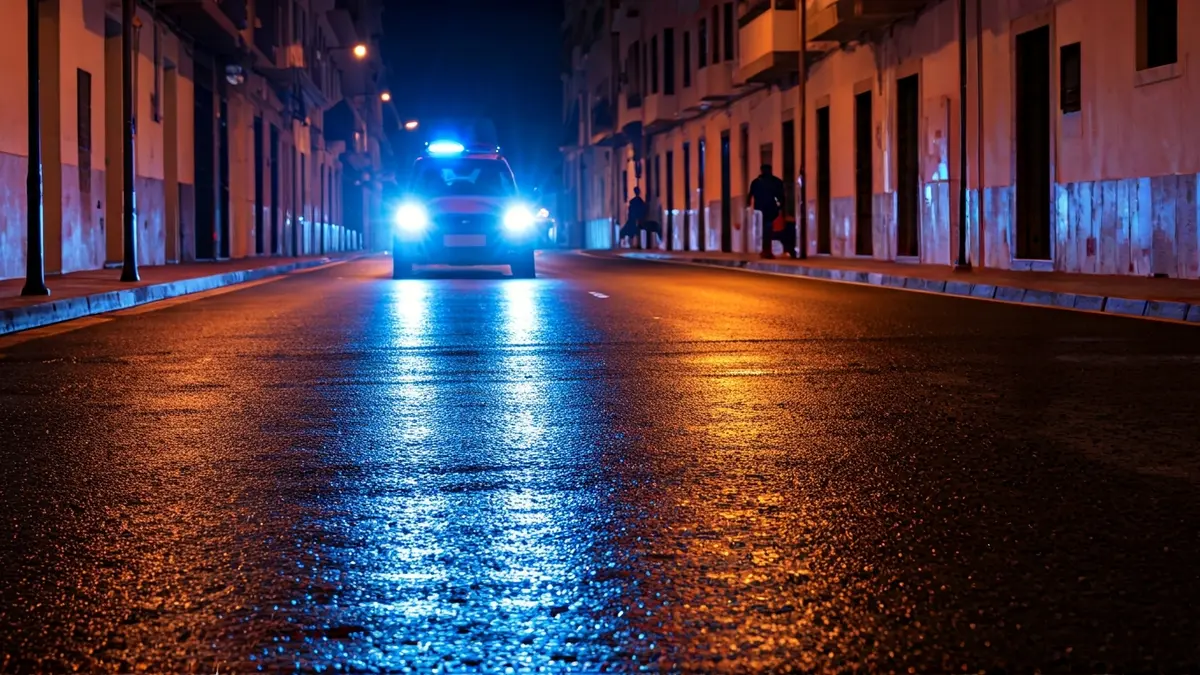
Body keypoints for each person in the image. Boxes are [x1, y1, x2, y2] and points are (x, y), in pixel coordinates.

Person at [748, 164, 795, 259]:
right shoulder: (776, 182)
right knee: (768, 230)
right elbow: (782, 197)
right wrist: (779, 207)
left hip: (760, 211)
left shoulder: (756, 182)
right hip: (771, 210)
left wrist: (749, 208)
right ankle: (767, 250)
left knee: (764, 230)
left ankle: (766, 250)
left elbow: (750, 196)